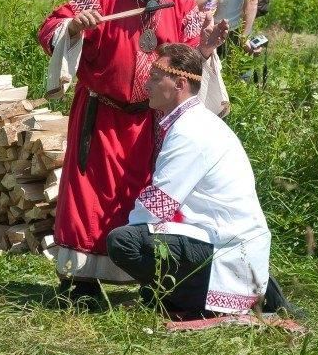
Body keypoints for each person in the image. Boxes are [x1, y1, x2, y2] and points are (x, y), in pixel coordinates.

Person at [36, 0, 229, 303]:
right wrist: (74, 28)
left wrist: (203, 50)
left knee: (147, 197)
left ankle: (149, 278)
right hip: (101, 117)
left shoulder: (180, 1)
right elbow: (49, 29)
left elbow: (185, 63)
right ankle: (81, 284)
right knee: (88, 199)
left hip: (151, 124)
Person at [107, 43, 290, 316]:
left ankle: (202, 303)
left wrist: (132, 230)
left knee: (124, 242)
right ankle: (184, 295)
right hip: (222, 236)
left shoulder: (190, 130)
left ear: (180, 83)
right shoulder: (192, 122)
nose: (148, 85)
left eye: (156, 78)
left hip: (226, 240)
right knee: (140, 235)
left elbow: (158, 204)